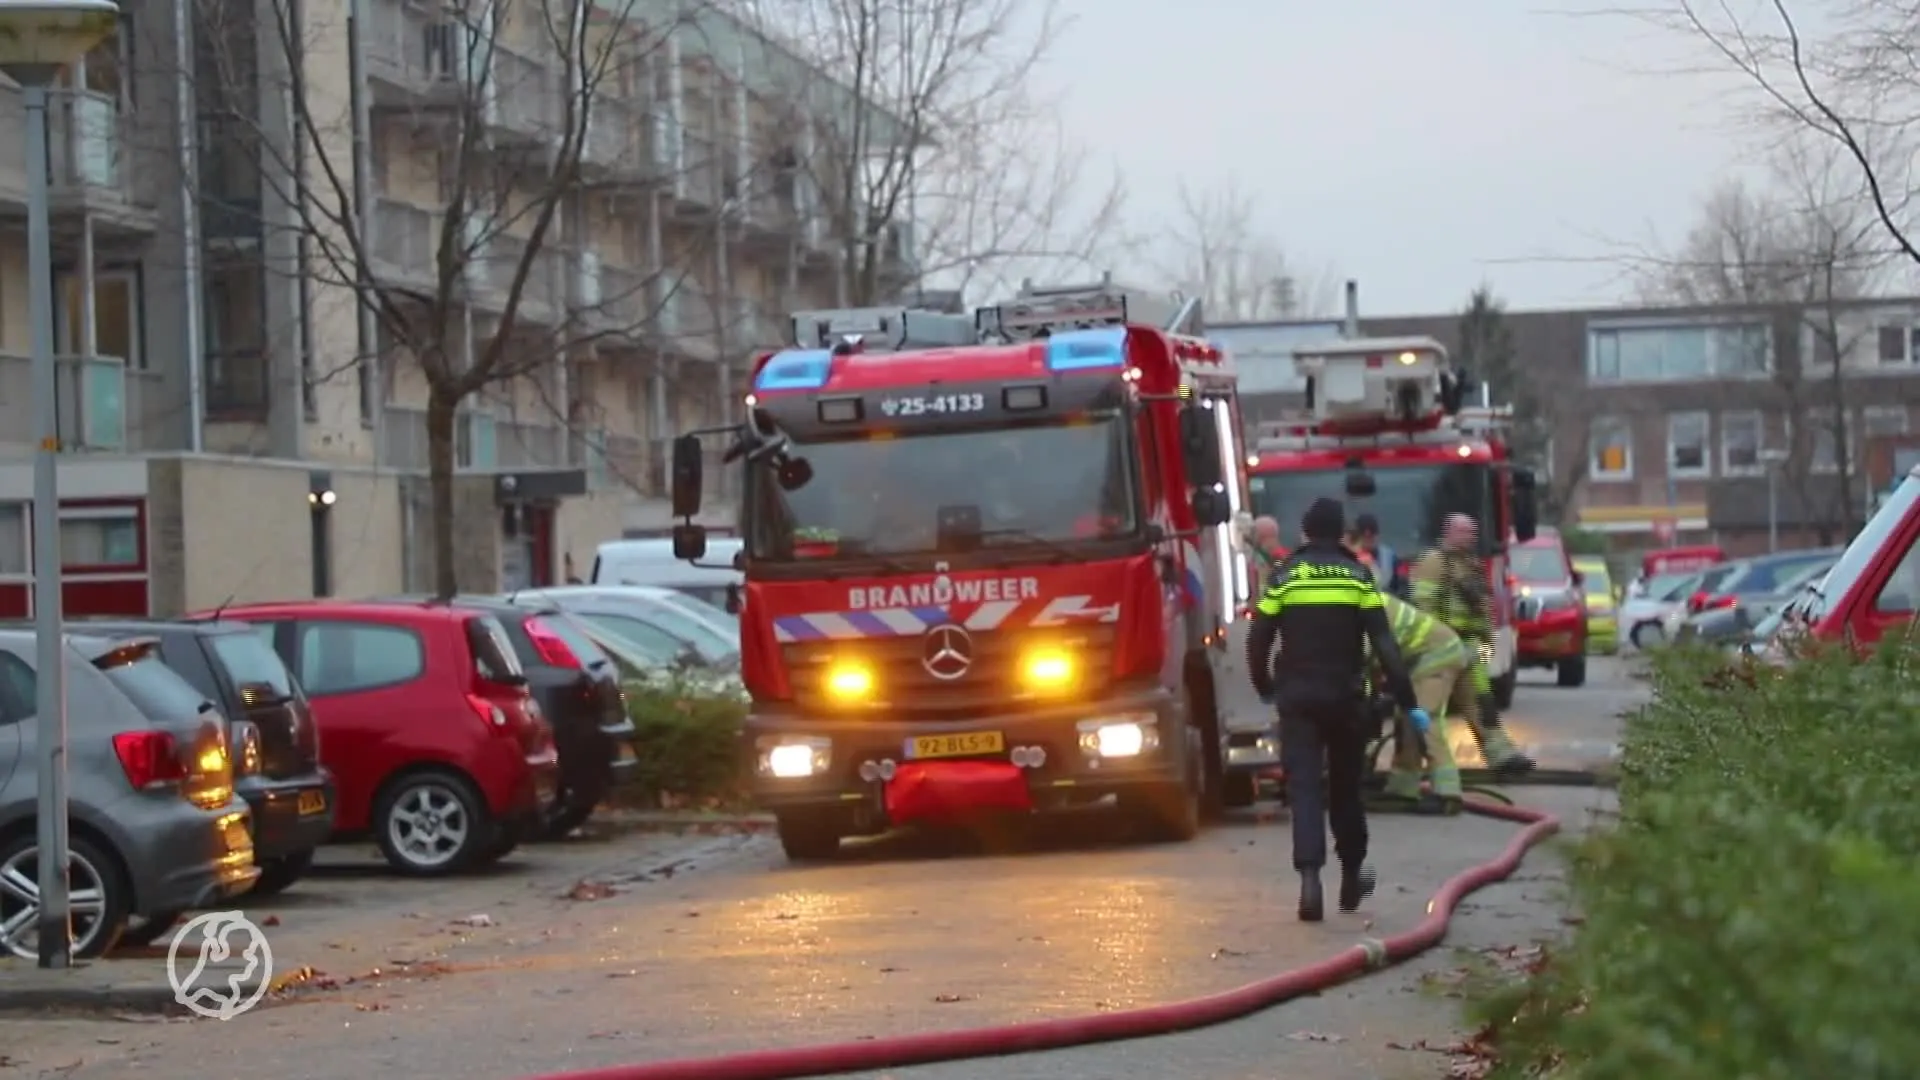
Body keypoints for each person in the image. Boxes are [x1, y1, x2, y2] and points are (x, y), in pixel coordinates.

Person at [1246, 498, 1428, 922]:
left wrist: (1265, 686)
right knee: (1346, 789)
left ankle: (1310, 882)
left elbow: (1258, 638)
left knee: (1305, 789)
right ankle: (1350, 873)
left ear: (1306, 533)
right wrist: (1408, 703)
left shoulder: (1286, 576)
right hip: (1346, 699)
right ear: (1340, 532)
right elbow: (1386, 647)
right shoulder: (1358, 576)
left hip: (1299, 700)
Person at [1411, 514, 1535, 774]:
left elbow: (1481, 606)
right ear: (1449, 532)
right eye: (1465, 532)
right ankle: (1412, 767)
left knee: (1482, 703)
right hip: (1440, 648)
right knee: (1427, 711)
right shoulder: (1434, 562)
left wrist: (1486, 637)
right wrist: (1436, 639)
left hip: (1468, 646)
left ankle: (1503, 756)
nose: (1471, 537)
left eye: (1473, 533)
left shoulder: (1470, 564)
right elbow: (1423, 605)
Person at [1376, 592, 1469, 811]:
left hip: (1438, 655)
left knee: (1425, 720)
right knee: (1406, 719)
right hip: (1417, 657)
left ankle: (1448, 794)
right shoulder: (1352, 604)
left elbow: (1366, 664)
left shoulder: (1358, 616)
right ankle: (1403, 788)